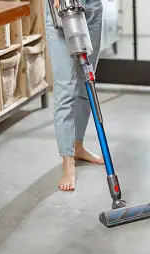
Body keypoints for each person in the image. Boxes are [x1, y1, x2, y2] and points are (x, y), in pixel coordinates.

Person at [45, 0, 104, 191]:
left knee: (86, 80)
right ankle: (67, 160)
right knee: (66, 85)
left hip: (92, 5)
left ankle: (78, 146)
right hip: (62, 5)